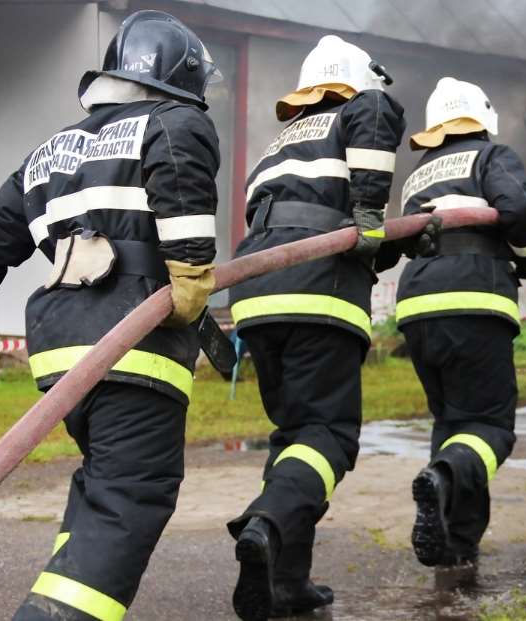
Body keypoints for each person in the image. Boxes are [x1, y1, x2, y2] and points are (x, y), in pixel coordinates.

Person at [0, 11, 221, 620]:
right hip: (131, 336)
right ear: (183, 77)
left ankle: (57, 599)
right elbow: (182, 185)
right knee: (131, 496)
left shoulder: (54, 147)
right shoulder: (176, 122)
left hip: (60, 349)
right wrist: (191, 274)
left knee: (101, 485)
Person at [227, 35, 405, 620]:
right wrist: (374, 215)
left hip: (258, 296)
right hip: (317, 291)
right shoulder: (361, 109)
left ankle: (284, 579)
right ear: (355, 81)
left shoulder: (277, 147)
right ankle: (267, 519)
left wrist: (385, 240)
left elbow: (319, 225)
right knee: (328, 433)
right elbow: (380, 111)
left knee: (295, 434)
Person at [393, 77, 526, 567]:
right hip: (472, 297)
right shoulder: (492, 157)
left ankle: (456, 540)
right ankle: (443, 477)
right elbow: (518, 210)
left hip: (418, 308)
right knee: (490, 425)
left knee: (453, 422)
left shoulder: (420, 174)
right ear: (481, 120)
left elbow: (410, 238)